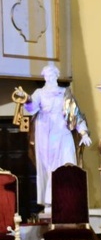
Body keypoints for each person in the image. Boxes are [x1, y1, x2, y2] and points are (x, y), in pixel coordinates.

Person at [24, 63, 91, 212]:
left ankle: (68, 198)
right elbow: (31, 108)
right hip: (44, 132)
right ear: (44, 77)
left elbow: (75, 115)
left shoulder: (65, 92)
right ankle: (50, 201)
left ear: (56, 75)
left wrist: (83, 133)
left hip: (62, 130)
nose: (50, 77)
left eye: (53, 74)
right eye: (47, 75)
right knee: (48, 166)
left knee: (67, 162)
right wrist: (26, 99)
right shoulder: (39, 93)